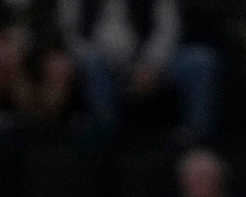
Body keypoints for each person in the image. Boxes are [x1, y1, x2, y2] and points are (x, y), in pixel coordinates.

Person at [58, 0, 221, 143]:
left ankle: (196, 139)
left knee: (200, 60)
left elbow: (168, 29)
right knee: (91, 63)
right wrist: (95, 57)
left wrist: (151, 64)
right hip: (101, 62)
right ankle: (103, 132)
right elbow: (70, 32)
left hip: (150, 59)